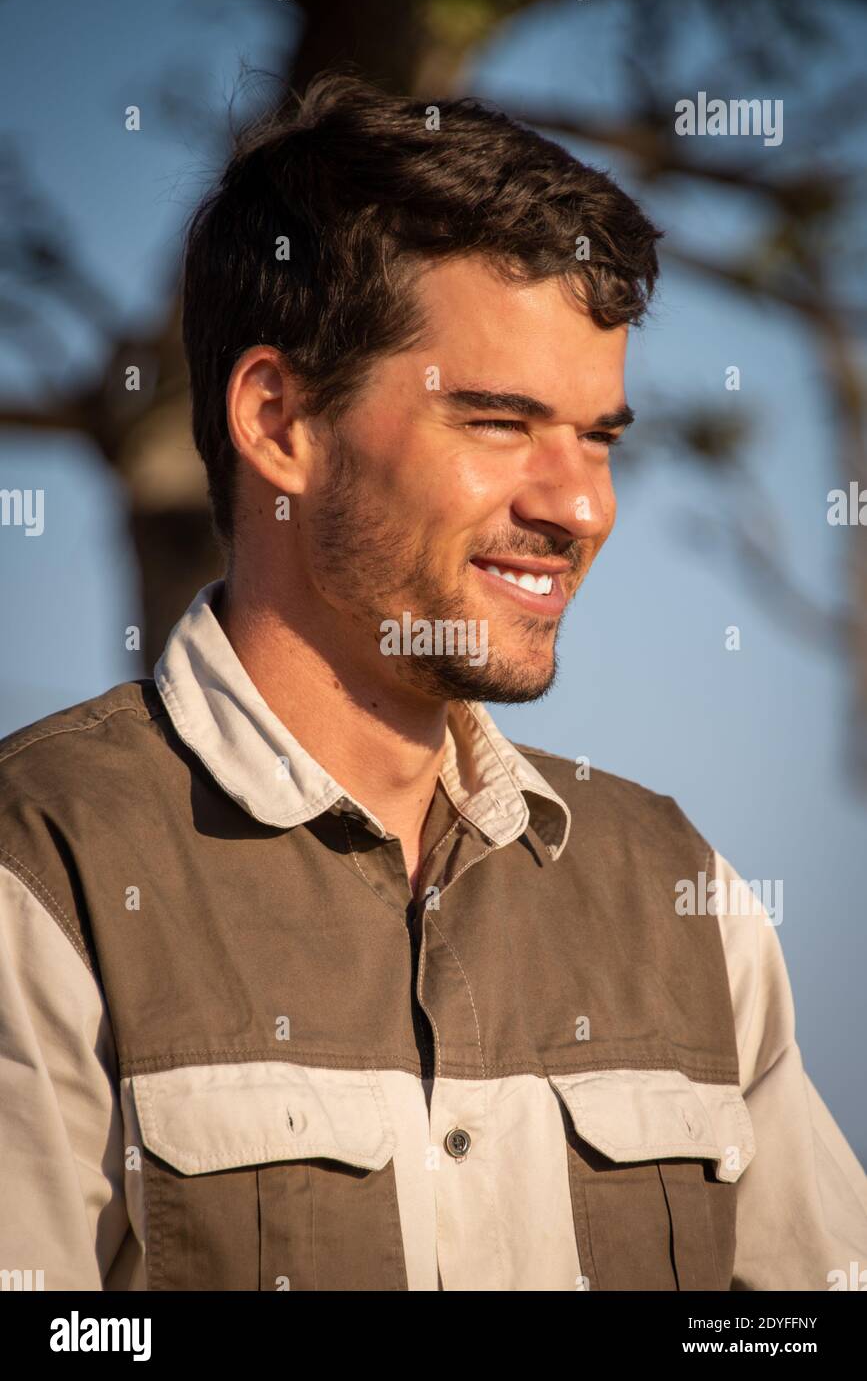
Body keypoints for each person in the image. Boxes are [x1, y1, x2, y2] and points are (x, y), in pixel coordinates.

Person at [1, 72, 865, 1293]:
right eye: (500, 423)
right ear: (280, 419)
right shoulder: (43, 871)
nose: (579, 506)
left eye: (600, 436)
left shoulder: (683, 894)